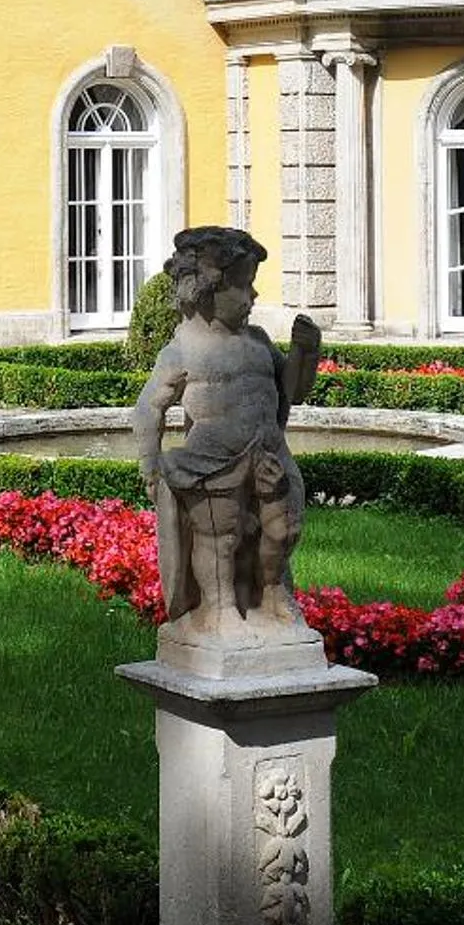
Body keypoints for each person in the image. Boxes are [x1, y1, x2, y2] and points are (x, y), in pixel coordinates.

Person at [131, 226, 321, 632]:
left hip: (268, 451)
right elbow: (149, 408)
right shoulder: (183, 349)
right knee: (220, 538)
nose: (253, 297)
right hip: (211, 462)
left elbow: (294, 391)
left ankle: (273, 591)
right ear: (206, 291)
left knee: (285, 528)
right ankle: (217, 610)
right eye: (243, 286)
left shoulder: (257, 341)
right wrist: (150, 466)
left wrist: (306, 352)